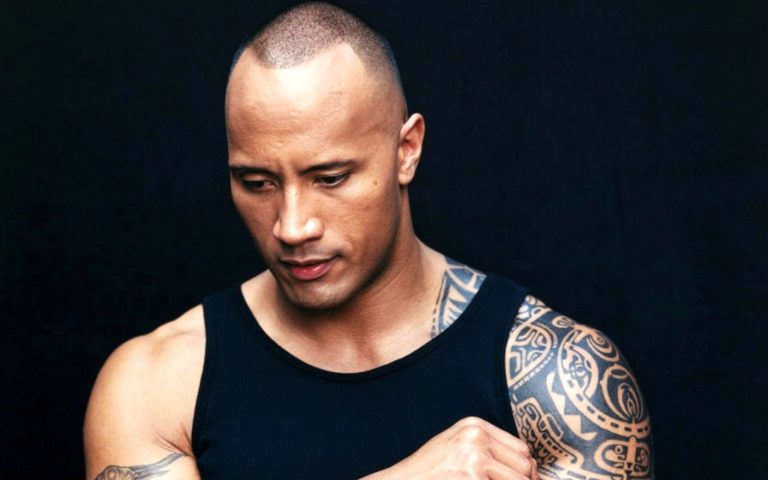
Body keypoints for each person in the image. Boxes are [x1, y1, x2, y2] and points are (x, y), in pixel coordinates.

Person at [84, 3, 654, 479]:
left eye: (330, 178)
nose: (292, 226)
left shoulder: (559, 380)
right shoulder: (154, 385)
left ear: (406, 150)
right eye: (256, 183)